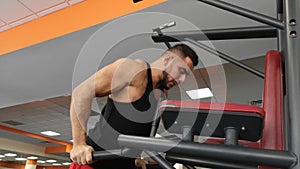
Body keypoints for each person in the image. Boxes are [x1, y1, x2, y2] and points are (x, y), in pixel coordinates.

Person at [69, 44, 199, 169]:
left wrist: (135, 156)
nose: (181, 80)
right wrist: (79, 143)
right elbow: (81, 93)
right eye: (181, 71)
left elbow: (138, 130)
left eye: (185, 76)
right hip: (94, 162)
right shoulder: (134, 70)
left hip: (124, 164)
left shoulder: (162, 93)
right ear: (168, 59)